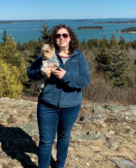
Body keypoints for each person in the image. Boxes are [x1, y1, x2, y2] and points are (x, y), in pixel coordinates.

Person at [27, 24, 90, 168]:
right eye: (58, 35)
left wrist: (65, 76)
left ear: (70, 38)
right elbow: (30, 74)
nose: (61, 38)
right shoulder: (45, 55)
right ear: (54, 39)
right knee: (46, 141)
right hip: (47, 105)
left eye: (64, 35)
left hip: (71, 106)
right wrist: (41, 73)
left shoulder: (79, 57)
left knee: (63, 136)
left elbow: (85, 80)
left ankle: (59, 165)